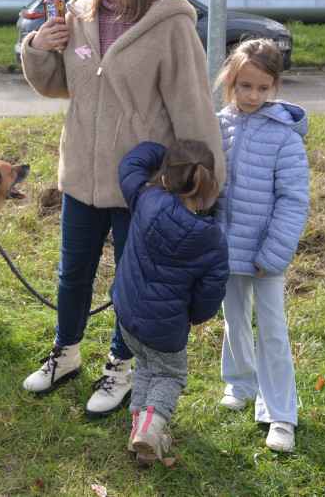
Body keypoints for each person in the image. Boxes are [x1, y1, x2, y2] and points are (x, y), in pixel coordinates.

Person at [20, 0, 225, 418]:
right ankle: (66, 352)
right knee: (72, 273)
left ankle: (120, 365)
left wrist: (203, 185)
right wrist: (38, 47)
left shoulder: (170, 24)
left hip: (142, 185)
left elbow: (193, 106)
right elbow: (60, 84)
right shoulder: (79, 14)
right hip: (80, 173)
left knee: (131, 282)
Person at [213, 38, 310, 453]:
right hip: (224, 248)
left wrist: (273, 254)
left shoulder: (285, 137)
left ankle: (280, 413)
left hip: (266, 253)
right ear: (231, 82)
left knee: (272, 329)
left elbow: (293, 200)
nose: (253, 95)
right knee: (234, 318)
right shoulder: (217, 126)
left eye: (263, 87)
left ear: (275, 86)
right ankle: (240, 382)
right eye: (245, 86)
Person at [111, 139, 229, 466]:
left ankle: (139, 438)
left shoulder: (146, 198)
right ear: (210, 186)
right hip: (166, 330)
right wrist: (193, 317)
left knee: (145, 369)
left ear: (164, 177)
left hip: (128, 316)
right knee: (169, 375)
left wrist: (160, 151)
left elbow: (130, 165)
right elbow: (209, 295)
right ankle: (150, 428)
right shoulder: (212, 240)